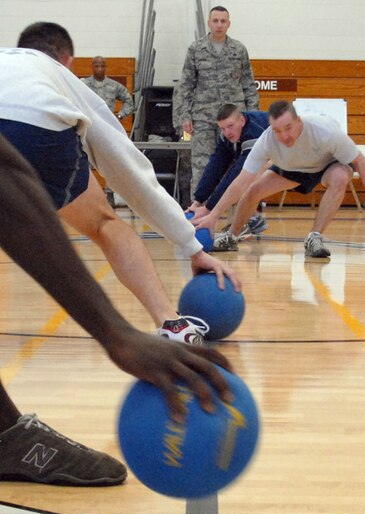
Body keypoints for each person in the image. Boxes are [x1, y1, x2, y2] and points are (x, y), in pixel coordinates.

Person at [0, 133, 234, 486]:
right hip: (35, 132)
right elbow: (131, 171)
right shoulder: (58, 85)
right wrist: (116, 332)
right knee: (103, 220)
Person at [0, 22, 240, 348]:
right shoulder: (58, 75)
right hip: (33, 124)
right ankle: (170, 323)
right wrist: (191, 245)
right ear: (67, 60)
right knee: (104, 223)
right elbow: (125, 167)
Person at [195, 100, 365, 258]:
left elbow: (360, 161)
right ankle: (231, 236)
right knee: (253, 189)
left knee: (340, 176)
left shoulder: (325, 130)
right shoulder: (266, 140)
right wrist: (212, 216)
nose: (284, 136)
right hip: (293, 168)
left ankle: (314, 237)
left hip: (327, 165)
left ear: (299, 121)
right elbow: (241, 181)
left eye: (288, 128)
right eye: (277, 130)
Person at [173, 6, 259, 196]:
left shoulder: (239, 49)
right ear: (209, 23)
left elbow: (249, 85)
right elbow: (185, 85)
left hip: (234, 122)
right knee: (201, 168)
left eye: (223, 21)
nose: (219, 25)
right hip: (204, 120)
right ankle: (198, 216)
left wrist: (252, 116)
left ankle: (235, 221)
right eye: (215, 21)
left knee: (237, 169)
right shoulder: (196, 49)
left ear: (229, 24)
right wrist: (184, 116)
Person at [186, 103, 270, 242]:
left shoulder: (254, 132)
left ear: (242, 121)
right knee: (244, 176)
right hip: (278, 157)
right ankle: (251, 219)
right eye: (223, 128)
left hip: (296, 156)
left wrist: (209, 209)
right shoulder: (226, 135)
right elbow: (215, 166)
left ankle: (249, 220)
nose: (227, 132)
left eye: (231, 126)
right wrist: (198, 201)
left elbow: (238, 174)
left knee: (247, 177)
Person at [81, 55, 134, 206]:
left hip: (107, 130)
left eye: (102, 66)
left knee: (109, 163)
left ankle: (109, 194)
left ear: (106, 67)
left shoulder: (113, 86)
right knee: (86, 164)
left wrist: (120, 115)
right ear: (92, 67)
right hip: (89, 130)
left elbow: (129, 101)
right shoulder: (84, 85)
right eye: (96, 66)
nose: (99, 69)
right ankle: (86, 195)